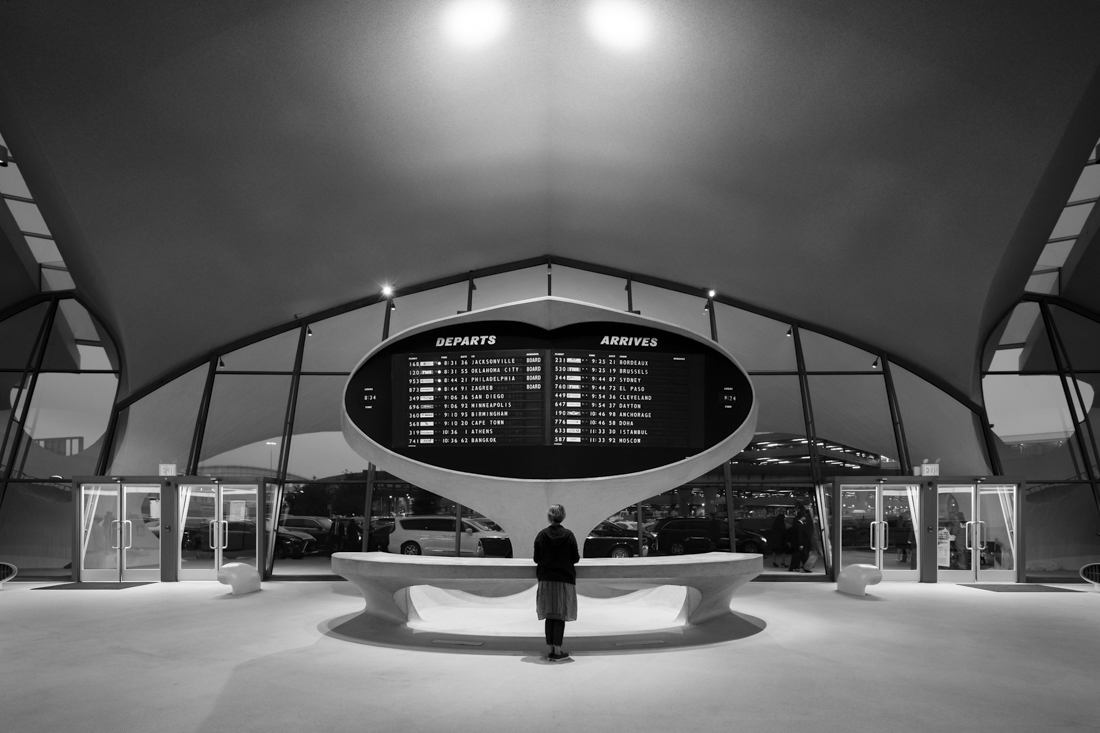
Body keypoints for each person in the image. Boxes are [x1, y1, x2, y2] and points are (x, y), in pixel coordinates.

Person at [533, 503, 579, 662]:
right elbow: (576, 558)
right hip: (564, 579)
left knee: (549, 615)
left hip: (546, 579)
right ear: (562, 517)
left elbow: (536, 559)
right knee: (560, 615)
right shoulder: (569, 535)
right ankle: (558, 652)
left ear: (549, 517)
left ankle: (551, 650)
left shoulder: (541, 535)